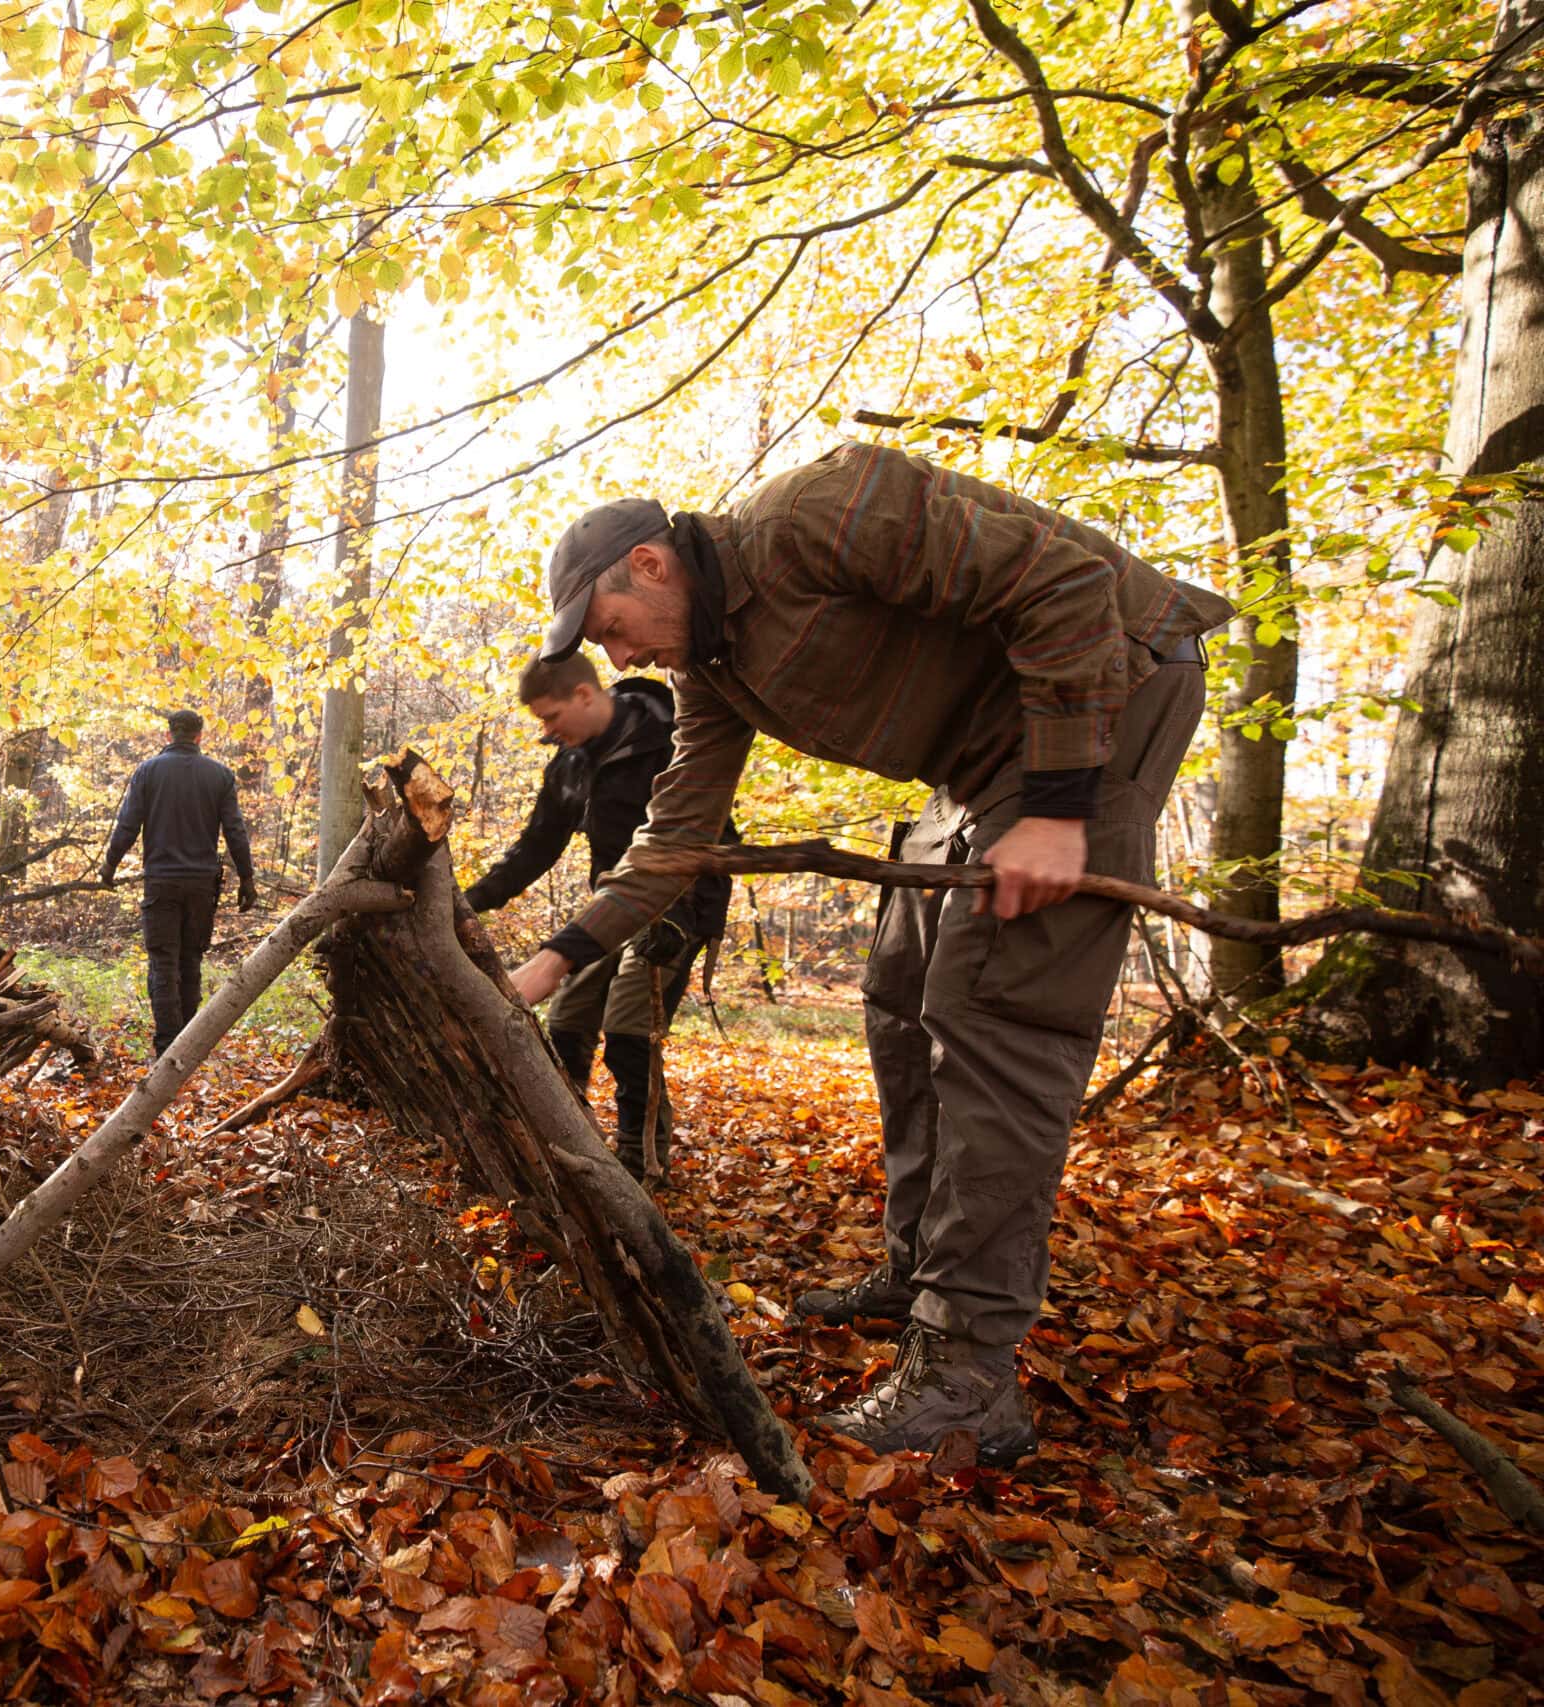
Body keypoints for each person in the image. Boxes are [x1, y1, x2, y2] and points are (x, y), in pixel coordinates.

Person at [506, 440, 1231, 1461]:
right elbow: (674, 837)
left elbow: (1063, 584)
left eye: (612, 630)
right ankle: (917, 1268)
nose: (616, 660)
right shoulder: (715, 673)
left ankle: (969, 1368)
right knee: (898, 993)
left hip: (1104, 689)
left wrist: (1062, 808)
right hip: (983, 757)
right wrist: (549, 963)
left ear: (651, 566)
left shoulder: (820, 511)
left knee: (995, 1019)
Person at [464, 650, 735, 1183]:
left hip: (677, 910)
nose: (547, 730)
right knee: (566, 1018)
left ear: (584, 695)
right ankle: (572, 1141)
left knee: (629, 1026)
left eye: (550, 716)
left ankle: (641, 1159)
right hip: (606, 915)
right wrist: (465, 904)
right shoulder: (570, 764)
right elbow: (534, 849)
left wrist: (694, 922)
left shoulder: (672, 738)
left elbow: (717, 840)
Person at [100, 710, 257, 1054]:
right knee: (190, 960)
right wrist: (247, 878)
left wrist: (109, 866)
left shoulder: (148, 772)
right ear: (200, 735)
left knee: (163, 962)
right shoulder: (220, 775)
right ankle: (186, 1047)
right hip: (202, 885)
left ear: (169, 734)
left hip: (161, 883)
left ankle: (168, 1046)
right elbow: (235, 831)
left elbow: (128, 824)